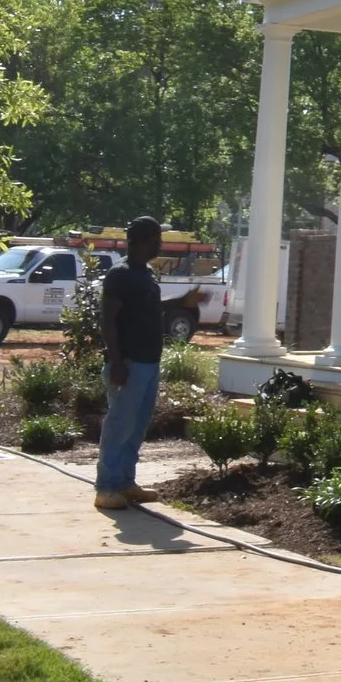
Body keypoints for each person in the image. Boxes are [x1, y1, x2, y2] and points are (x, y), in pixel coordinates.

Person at [95, 217, 205, 512]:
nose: (159, 244)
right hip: (128, 364)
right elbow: (107, 321)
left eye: (159, 238)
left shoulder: (145, 274)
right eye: (153, 239)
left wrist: (183, 302)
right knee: (120, 424)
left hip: (148, 363)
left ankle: (125, 483)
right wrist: (116, 361)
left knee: (137, 425)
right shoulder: (120, 275)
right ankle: (106, 488)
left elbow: (150, 308)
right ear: (136, 241)